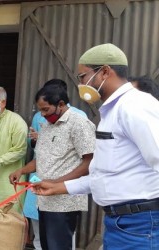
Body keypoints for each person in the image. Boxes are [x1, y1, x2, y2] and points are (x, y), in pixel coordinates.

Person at [32, 43, 159, 249]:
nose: (80, 83)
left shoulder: (135, 106)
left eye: (83, 76)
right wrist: (59, 187)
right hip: (120, 222)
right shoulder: (112, 111)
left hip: (141, 224)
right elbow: (104, 175)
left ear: (105, 71)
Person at [9, 83, 95, 250]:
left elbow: (90, 162)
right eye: (40, 110)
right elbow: (41, 158)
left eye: (46, 109)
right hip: (45, 200)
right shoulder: (48, 126)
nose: (42, 114)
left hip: (64, 202)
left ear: (61, 104)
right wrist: (21, 170)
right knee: (45, 246)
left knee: (59, 246)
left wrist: (58, 184)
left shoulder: (79, 124)